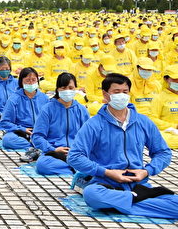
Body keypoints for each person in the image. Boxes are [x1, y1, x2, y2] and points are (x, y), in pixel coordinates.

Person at [68, 73, 178, 219]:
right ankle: (136, 199)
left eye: (125, 92)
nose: (121, 96)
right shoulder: (94, 124)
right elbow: (74, 156)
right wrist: (106, 172)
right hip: (106, 184)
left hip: (137, 183)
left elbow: (163, 152)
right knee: (92, 195)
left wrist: (146, 171)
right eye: (116, 92)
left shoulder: (142, 122)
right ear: (105, 95)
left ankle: (125, 202)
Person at [32, 73, 90, 175]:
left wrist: (79, 150)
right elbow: (37, 136)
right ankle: (78, 169)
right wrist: (53, 149)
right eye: (64, 88)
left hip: (77, 153)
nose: (68, 91)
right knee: (43, 165)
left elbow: (89, 137)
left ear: (75, 89)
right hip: (55, 153)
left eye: (71, 88)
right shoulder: (48, 109)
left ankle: (77, 167)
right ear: (58, 89)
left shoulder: (81, 109)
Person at [0, 67, 48, 153]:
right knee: (7, 140)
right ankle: (34, 147)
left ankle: (37, 145)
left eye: (34, 80)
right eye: (27, 80)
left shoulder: (44, 98)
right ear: (21, 82)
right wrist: (22, 129)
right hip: (22, 132)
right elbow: (5, 122)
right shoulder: (14, 99)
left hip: (40, 132)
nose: (31, 83)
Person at [149, 64, 178, 149]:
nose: (177, 82)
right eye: (175, 79)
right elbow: (152, 119)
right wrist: (174, 126)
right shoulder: (159, 98)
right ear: (166, 79)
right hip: (169, 133)